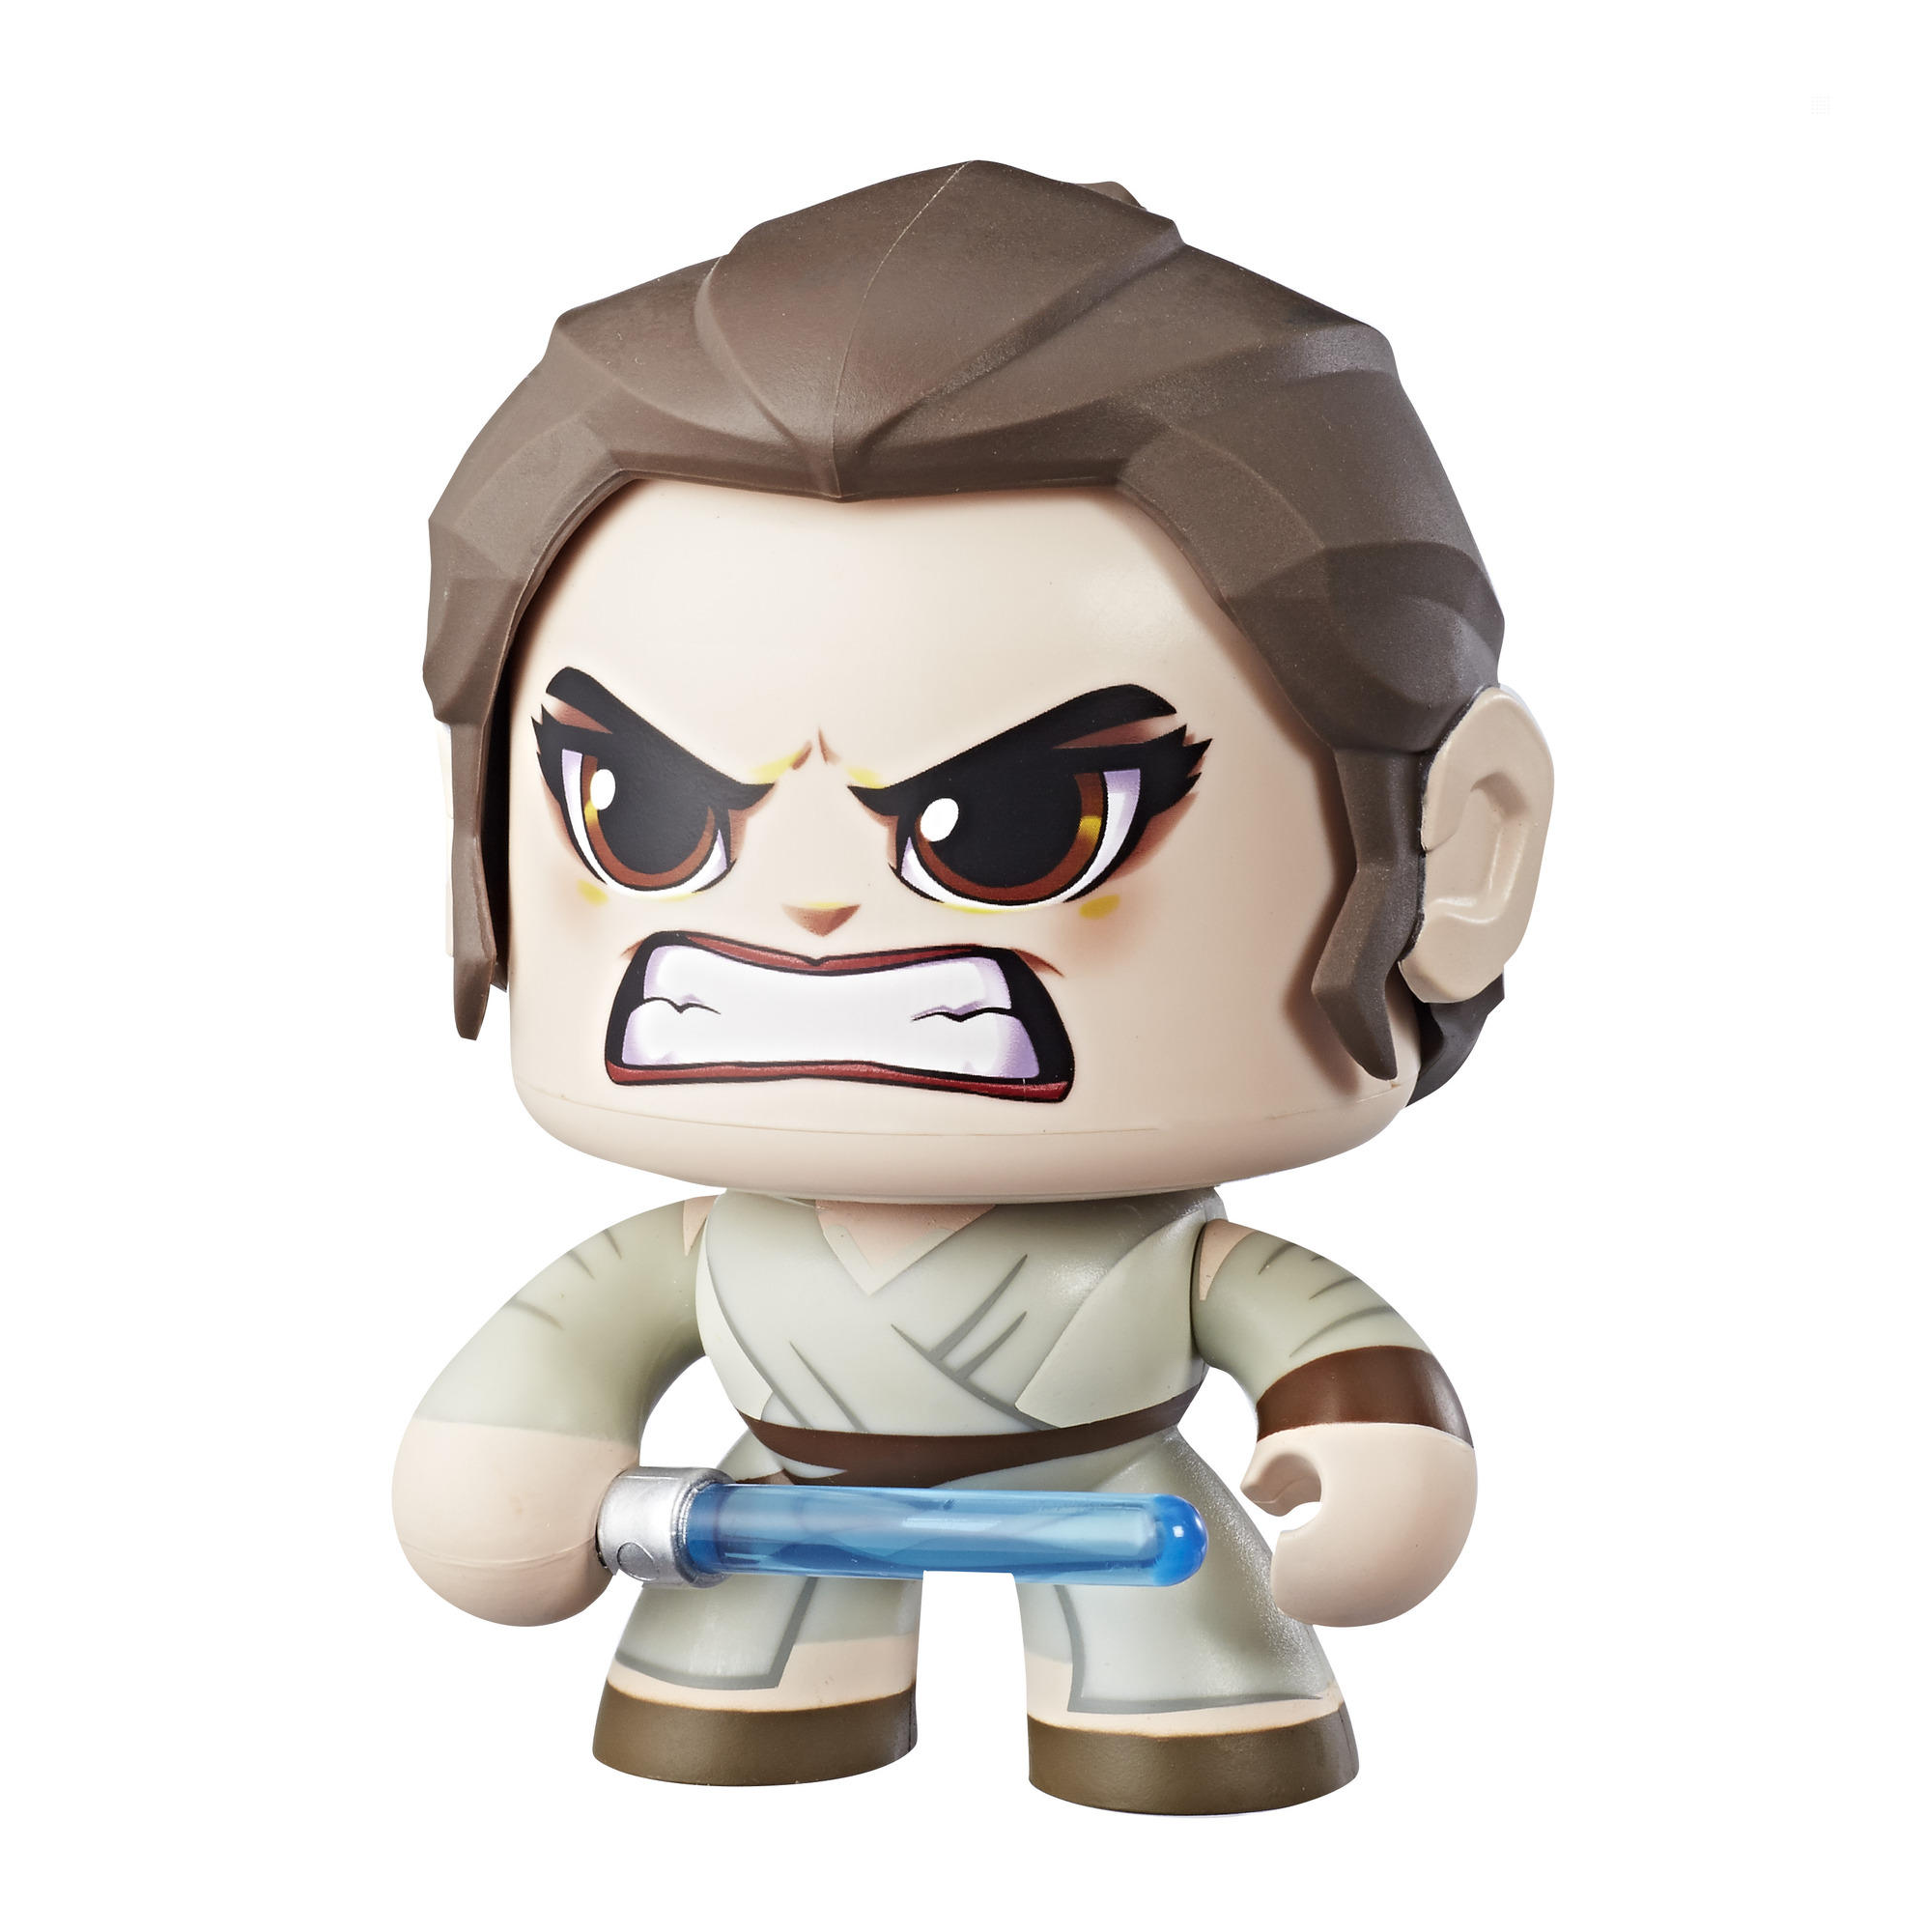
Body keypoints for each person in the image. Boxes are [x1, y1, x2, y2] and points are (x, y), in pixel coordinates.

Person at [394, 161, 1553, 1814]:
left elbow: (1328, 1357)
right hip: (766, 1522)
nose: (809, 907)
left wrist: (1370, 1462)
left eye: (1020, 828)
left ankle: (1175, 1729)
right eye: (640, 815)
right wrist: (511, 1467)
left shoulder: (1170, 1258)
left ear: (1467, 849)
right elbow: (553, 1368)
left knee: (1189, 1740)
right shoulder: (708, 1247)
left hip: (1133, 1522)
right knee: (726, 1734)